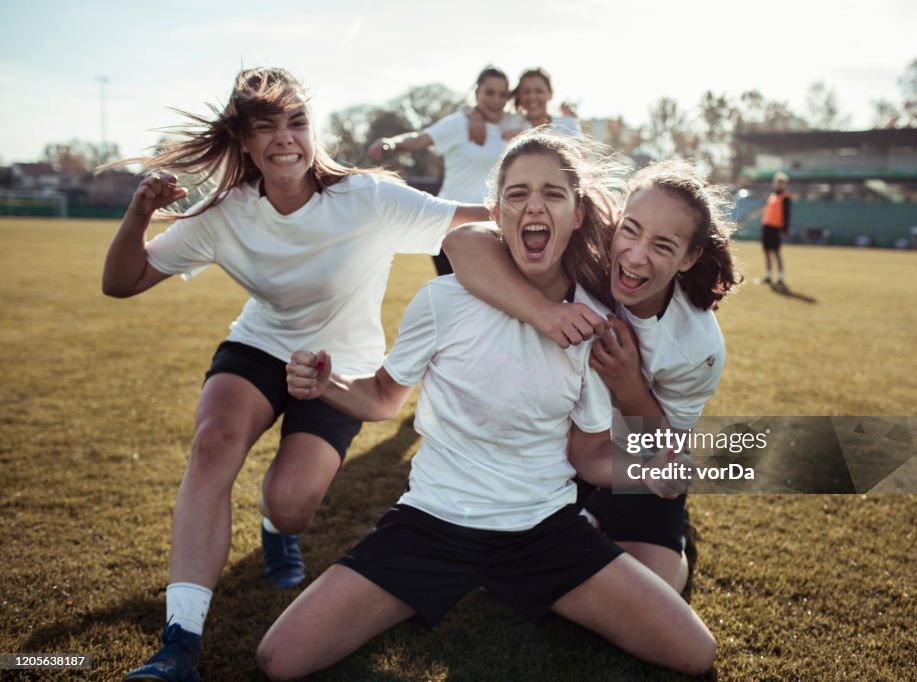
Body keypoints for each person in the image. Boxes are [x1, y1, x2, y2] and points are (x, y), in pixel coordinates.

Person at [258, 130, 716, 680]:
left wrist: (647, 468)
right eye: (517, 193)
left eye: (552, 193)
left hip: (543, 531)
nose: (534, 206)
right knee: (280, 659)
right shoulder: (442, 300)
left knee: (694, 651)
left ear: (577, 214)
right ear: (497, 210)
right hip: (431, 523)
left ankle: (566, 557)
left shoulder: (594, 324)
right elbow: (381, 397)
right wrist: (327, 384)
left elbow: (589, 452)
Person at [102, 67, 489, 682]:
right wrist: (139, 214)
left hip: (341, 369)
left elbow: (477, 217)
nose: (286, 137)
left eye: (298, 121)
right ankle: (178, 646)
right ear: (245, 143)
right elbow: (120, 283)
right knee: (211, 447)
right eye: (267, 126)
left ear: (315, 132)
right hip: (259, 346)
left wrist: (565, 213)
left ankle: (273, 527)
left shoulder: (368, 198)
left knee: (292, 507)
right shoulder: (224, 213)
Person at [443, 159, 740, 600]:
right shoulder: (588, 253)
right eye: (632, 230)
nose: (636, 256)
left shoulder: (697, 346)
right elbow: (463, 242)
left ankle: (632, 525)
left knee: (652, 591)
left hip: (630, 453)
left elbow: (662, 446)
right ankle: (578, 516)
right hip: (557, 442)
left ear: (689, 257)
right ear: (616, 221)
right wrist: (545, 312)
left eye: (663, 245)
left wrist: (629, 384)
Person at [367, 66, 516, 276]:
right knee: (456, 298)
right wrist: (392, 143)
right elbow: (421, 139)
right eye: (489, 93)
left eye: (502, 94)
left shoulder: (515, 123)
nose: (496, 100)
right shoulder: (459, 123)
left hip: (495, 226)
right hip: (453, 224)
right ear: (476, 94)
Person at [761, 171, 790, 285]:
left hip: (776, 228)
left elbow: (787, 214)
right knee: (767, 251)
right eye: (777, 182)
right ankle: (768, 275)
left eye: (781, 183)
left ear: (784, 184)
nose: (778, 185)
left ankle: (780, 277)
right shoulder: (772, 195)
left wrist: (784, 229)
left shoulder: (785, 197)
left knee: (776, 252)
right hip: (767, 226)